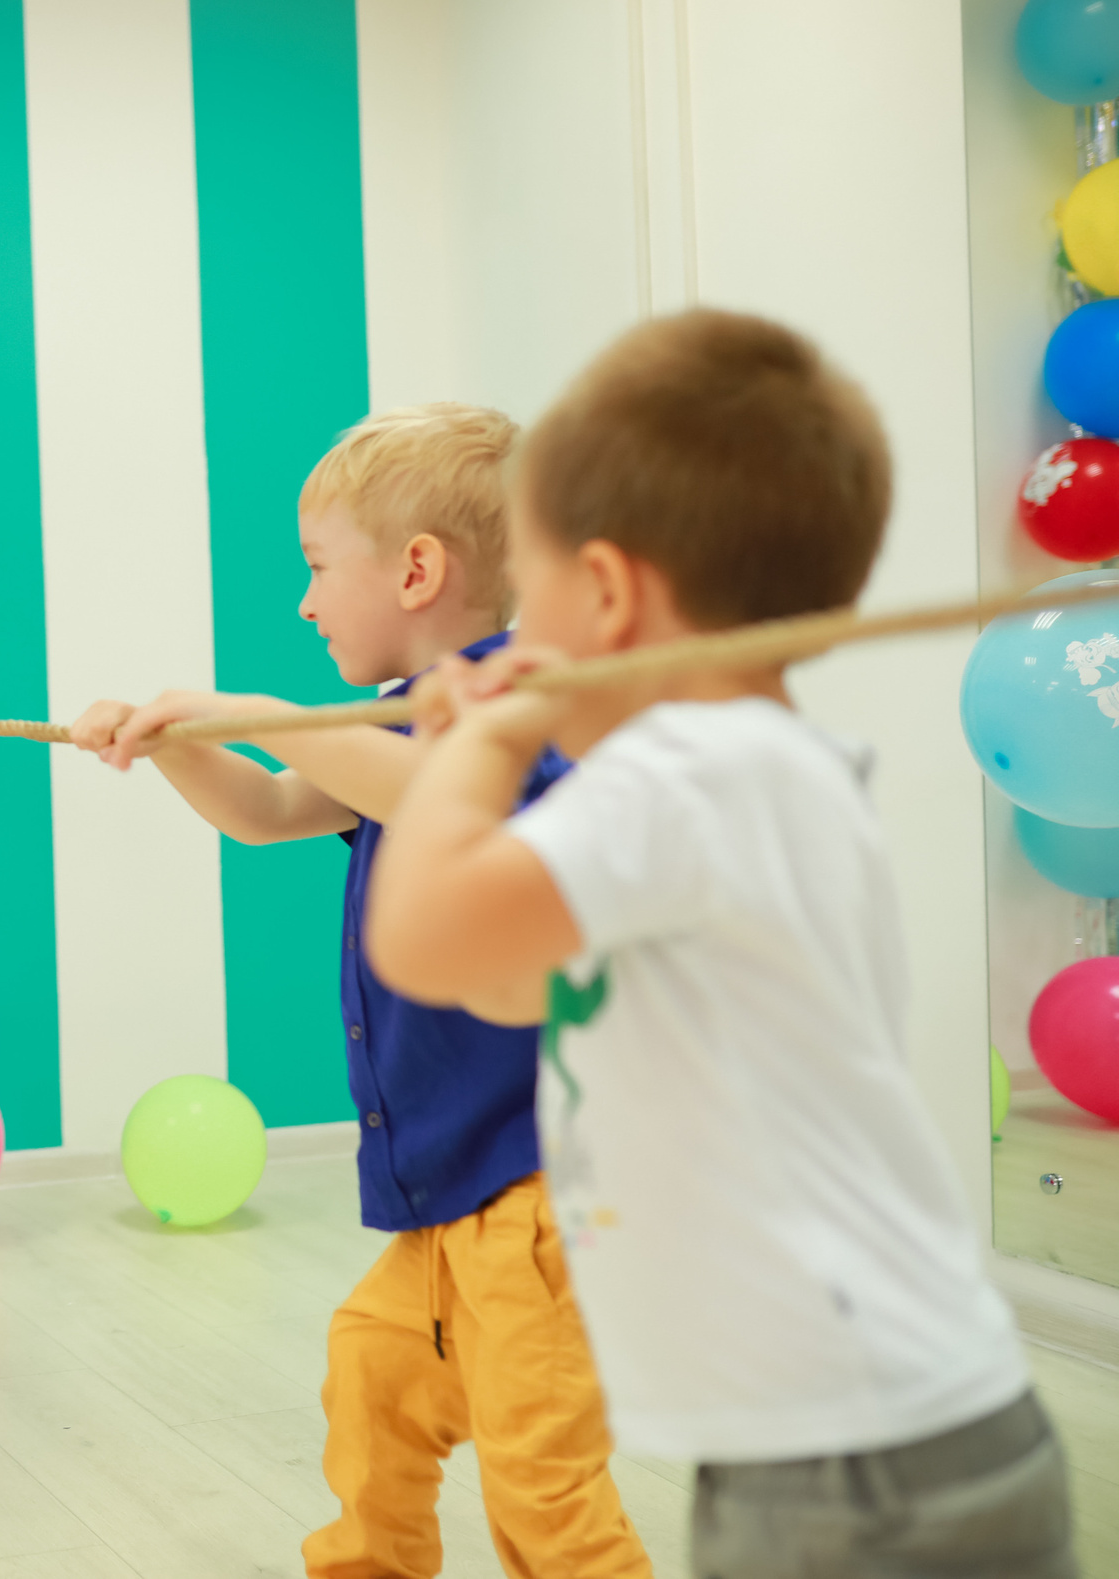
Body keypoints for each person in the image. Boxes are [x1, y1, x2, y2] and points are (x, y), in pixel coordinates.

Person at [366, 310, 1076, 1577]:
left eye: (529, 602)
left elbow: (421, 940)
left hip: (846, 1471)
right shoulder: (756, 774)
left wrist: (474, 740)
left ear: (609, 595)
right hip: (894, 1429)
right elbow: (500, 971)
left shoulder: (687, 778)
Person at [71, 404, 650, 1579]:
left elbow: (448, 798)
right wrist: (174, 739)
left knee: (543, 1495)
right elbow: (270, 810)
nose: (304, 602)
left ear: (418, 569)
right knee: (372, 1387)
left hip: (541, 1205)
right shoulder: (394, 730)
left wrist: (271, 719)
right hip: (449, 1198)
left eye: (317, 567)